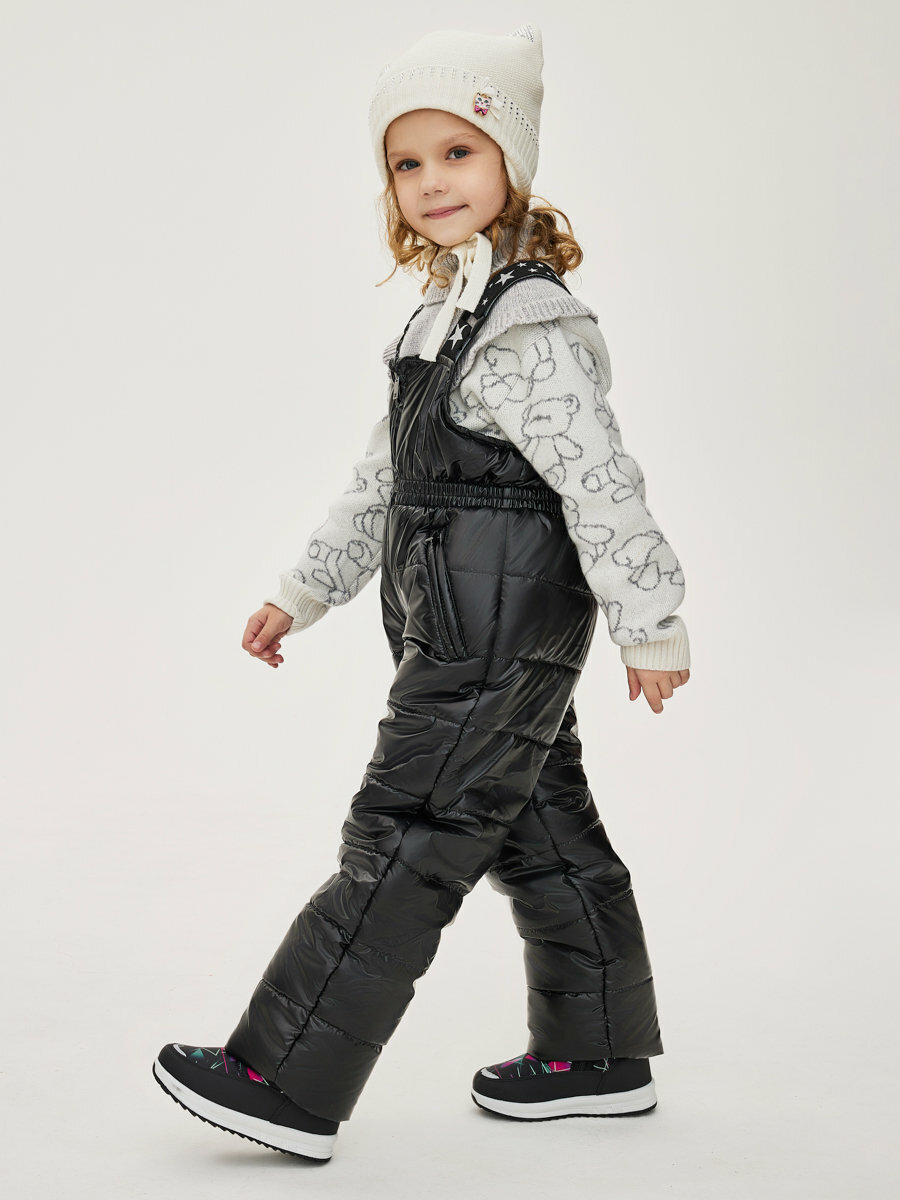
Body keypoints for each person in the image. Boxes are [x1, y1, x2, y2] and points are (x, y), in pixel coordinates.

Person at [152, 23, 691, 1164]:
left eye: (459, 152)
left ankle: (284, 1078)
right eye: (408, 162)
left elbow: (600, 478)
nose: (433, 180)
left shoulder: (531, 327)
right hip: (462, 617)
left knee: (409, 828)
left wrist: (650, 622)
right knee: (539, 822)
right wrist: (305, 589)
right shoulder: (441, 317)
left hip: (497, 622)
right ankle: (599, 1056)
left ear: (511, 163)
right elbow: (383, 478)